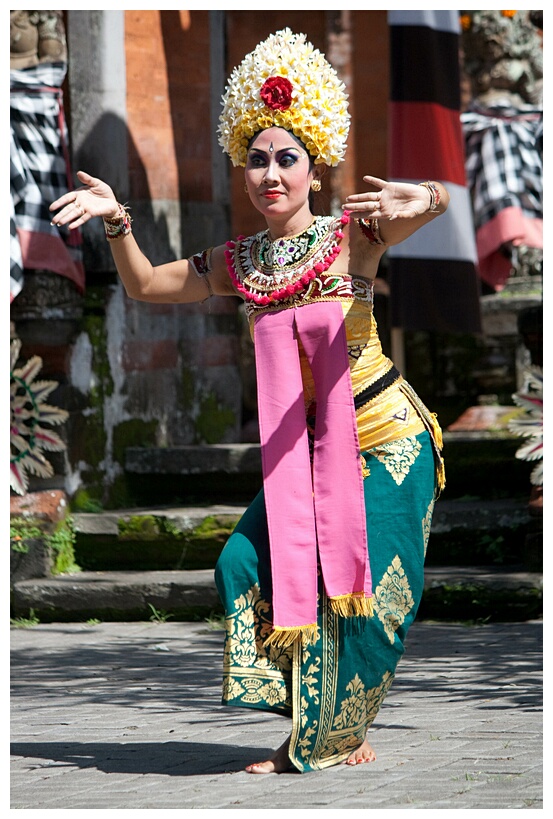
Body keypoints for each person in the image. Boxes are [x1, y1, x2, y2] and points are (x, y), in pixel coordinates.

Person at [50, 29, 447, 775]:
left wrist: (424, 195)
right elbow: (144, 286)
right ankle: (324, 720)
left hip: (385, 440)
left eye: (286, 159)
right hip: (303, 457)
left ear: (314, 164)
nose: (270, 173)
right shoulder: (239, 261)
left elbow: (423, 208)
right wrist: (117, 222)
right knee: (243, 565)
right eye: (257, 159)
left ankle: (323, 735)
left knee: (361, 592)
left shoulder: (350, 236)